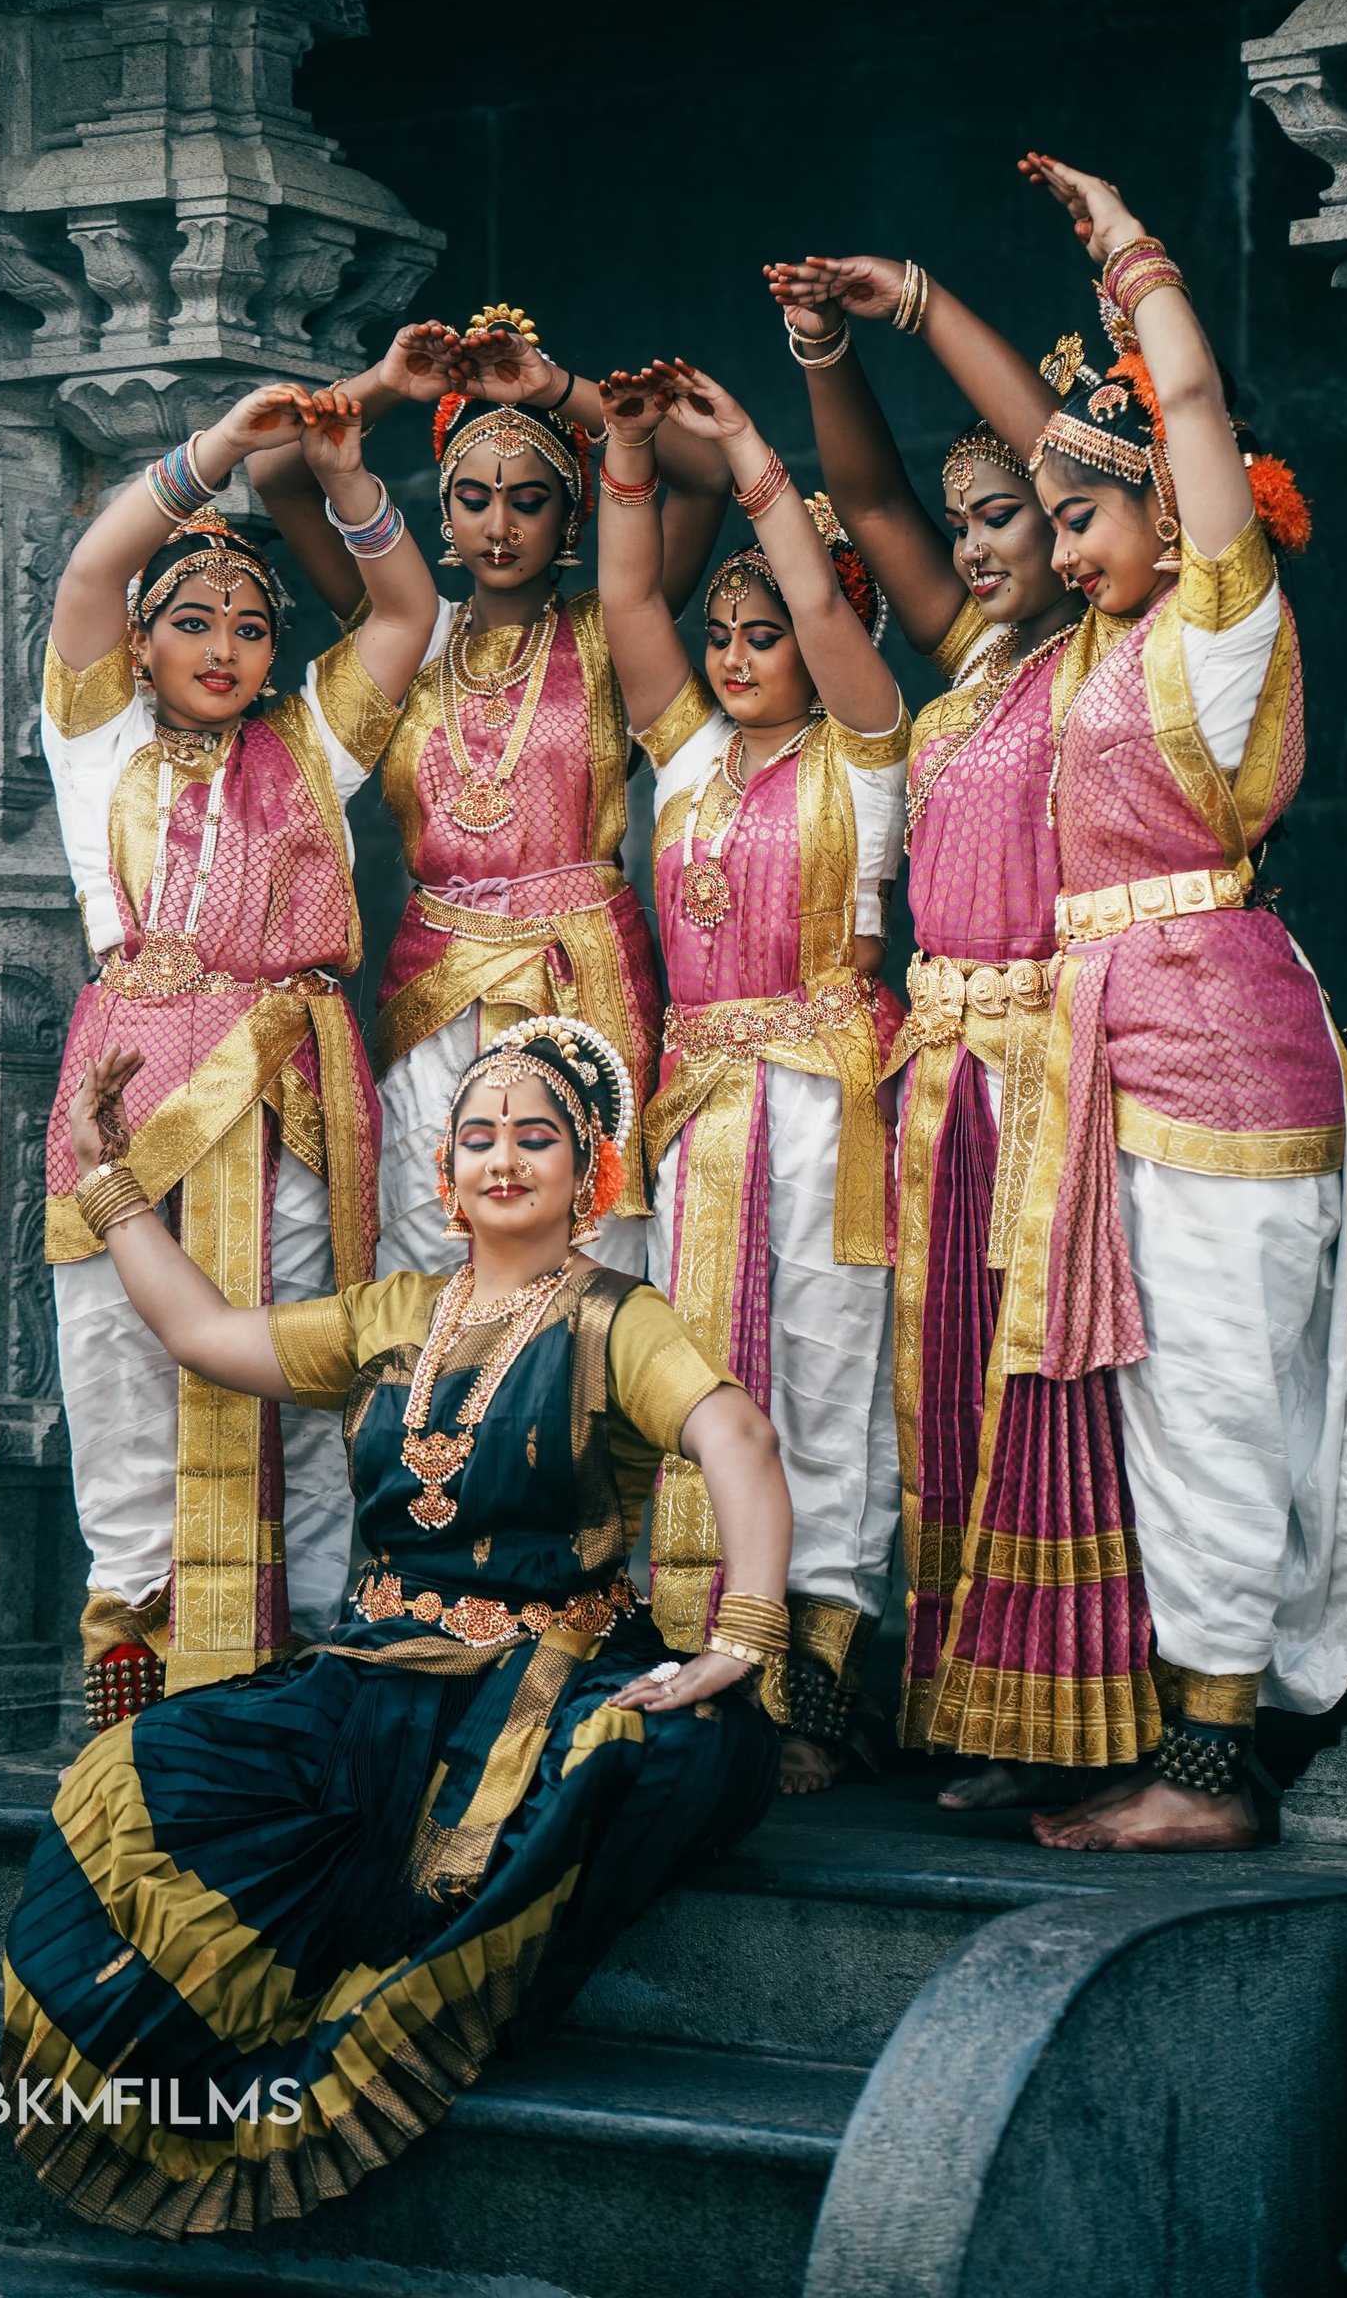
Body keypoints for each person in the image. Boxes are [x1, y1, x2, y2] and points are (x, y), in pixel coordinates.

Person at [2, 1018, 787, 2236]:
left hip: (540, 1665)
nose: (504, 1159)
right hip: (374, 1675)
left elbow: (734, 1435)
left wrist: (741, 1635)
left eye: (538, 1138)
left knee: (658, 1748)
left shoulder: (619, 1319)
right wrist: (109, 1183)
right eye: (479, 1138)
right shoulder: (389, 1315)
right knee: (132, 1773)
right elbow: (207, 1337)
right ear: (445, 1171)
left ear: (590, 1176)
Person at [983, 155, 1347, 1852]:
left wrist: (1135, 262)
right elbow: (1060, 443)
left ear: (1177, 509)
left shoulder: (1220, 621)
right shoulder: (1085, 655)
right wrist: (927, 314)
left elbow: (1185, 397)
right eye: (1050, 523)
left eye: (1083, 517)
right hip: (1116, 1051)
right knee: (1154, 1403)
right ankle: (1159, 1727)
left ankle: (1209, 1777)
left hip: (1215, 1045)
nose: (1062, 555)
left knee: (1214, 1396)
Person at [765, 256, 1159, 1807]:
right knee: (943, 1384)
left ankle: (1077, 1717)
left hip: (1064, 1054)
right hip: (943, 1069)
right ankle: (965, 1708)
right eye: (977, 520)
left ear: (1088, 528)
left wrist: (924, 302)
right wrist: (818, 356)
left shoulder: (1121, 654)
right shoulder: (978, 662)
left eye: (1021, 516)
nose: (988, 545)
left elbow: (1070, 454)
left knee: (1048, 1384)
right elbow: (865, 506)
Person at [41, 383, 439, 1724]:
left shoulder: (308, 750)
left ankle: (292, 1698)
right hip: (132, 1106)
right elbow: (97, 561)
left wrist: (343, 475)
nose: (224, 644)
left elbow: (402, 617)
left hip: (288, 1113)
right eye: (194, 622)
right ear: (139, 647)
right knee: (123, 1386)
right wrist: (218, 452)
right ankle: (136, 1715)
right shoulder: (96, 741)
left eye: (253, 626)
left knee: (301, 1391)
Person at [250, 308, 730, 1276]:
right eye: (473, 497)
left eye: (527, 500)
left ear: (571, 514)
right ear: (444, 509)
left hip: (582, 972)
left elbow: (705, 473)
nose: (498, 525)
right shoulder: (400, 626)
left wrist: (556, 391)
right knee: (427, 1238)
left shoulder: (613, 629)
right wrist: (386, 386)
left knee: (590, 1253)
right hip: (433, 977)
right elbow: (277, 473)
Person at [593, 357, 907, 1795]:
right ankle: (704, 1653)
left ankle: (814, 1687)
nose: (734, 650)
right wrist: (627, 456)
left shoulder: (868, 752)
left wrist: (760, 459)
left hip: (832, 1105)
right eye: (725, 630)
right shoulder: (687, 757)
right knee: (696, 1377)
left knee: (830, 1378)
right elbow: (625, 607)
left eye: (764, 631)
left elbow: (832, 607)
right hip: (703, 1113)